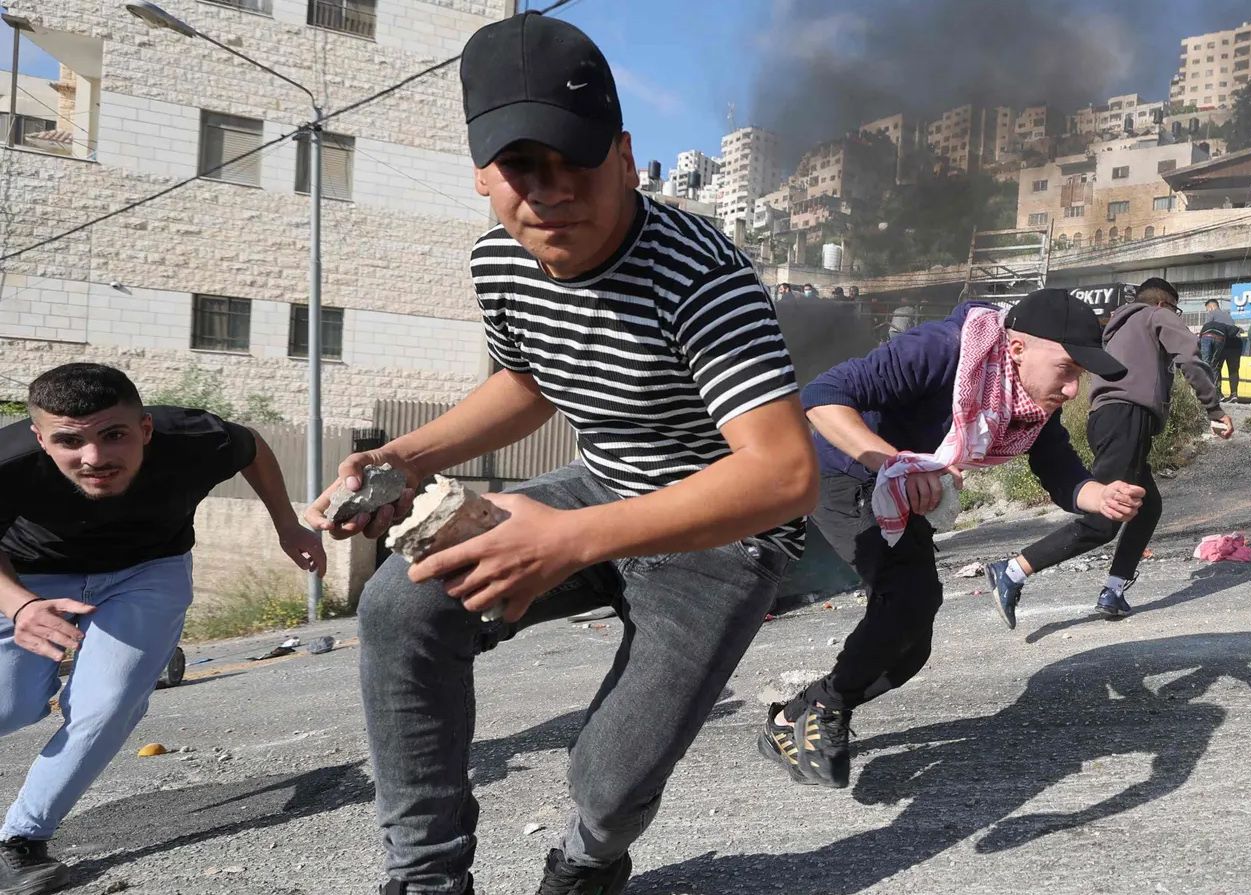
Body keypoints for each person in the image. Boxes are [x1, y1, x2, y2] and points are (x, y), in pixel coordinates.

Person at [314, 15, 820, 894]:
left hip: (720, 528)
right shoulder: (500, 260)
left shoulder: (704, 280)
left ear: (624, 155)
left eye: (574, 163)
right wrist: (405, 451)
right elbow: (528, 382)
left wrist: (567, 541)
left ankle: (588, 862)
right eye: (520, 169)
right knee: (401, 606)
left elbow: (782, 474)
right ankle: (427, 874)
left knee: (611, 781)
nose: (549, 194)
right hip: (600, 482)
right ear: (482, 173)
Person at [764, 289, 1144, 789]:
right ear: (1017, 349)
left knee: (910, 648)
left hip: (904, 486)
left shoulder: (1027, 400)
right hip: (845, 471)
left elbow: (1057, 465)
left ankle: (792, 718)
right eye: (1068, 369)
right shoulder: (940, 350)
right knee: (907, 598)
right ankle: (823, 709)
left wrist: (1098, 495)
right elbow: (822, 397)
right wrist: (892, 462)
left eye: (1081, 375)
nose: (1074, 389)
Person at [0, 363, 322, 895]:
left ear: (145, 428)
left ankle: (22, 840)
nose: (96, 458)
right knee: (13, 706)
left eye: (114, 435)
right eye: (69, 441)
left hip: (148, 570)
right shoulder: (9, 462)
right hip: (31, 578)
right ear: (40, 438)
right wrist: (20, 606)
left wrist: (287, 523)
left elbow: (254, 446)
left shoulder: (194, 438)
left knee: (109, 704)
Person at [988, 278, 1230, 623]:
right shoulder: (1156, 315)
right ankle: (1011, 571)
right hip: (1129, 416)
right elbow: (1189, 358)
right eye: (1174, 310)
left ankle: (1113, 591)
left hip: (1104, 418)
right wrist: (1215, 410)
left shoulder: (1117, 327)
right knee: (1106, 516)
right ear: (1164, 304)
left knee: (1146, 507)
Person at [1198, 303, 1244, 401]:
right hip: (1236, 345)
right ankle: (1234, 394)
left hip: (1223, 343)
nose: (1208, 311)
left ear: (1211, 307)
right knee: (1233, 370)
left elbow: (1208, 327)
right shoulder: (1228, 316)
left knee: (1216, 367)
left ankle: (1218, 393)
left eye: (1207, 309)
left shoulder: (1212, 314)